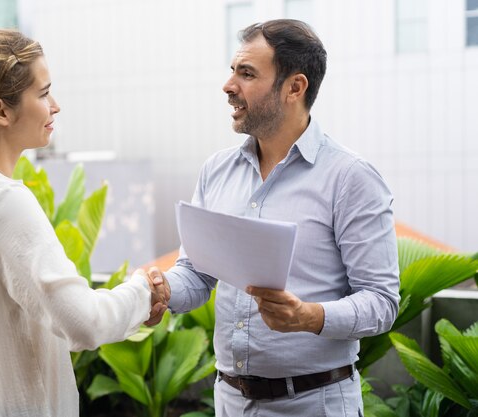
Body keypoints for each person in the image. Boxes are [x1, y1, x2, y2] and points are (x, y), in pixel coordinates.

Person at [0, 29, 167, 417]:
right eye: (42, 93)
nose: (54, 106)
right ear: (1, 111)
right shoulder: (0, 200)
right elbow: (82, 322)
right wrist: (141, 292)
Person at [148, 19, 400, 416]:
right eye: (233, 71)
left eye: (246, 73)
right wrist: (162, 290)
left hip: (314, 403)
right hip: (230, 401)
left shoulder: (351, 178)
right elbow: (196, 275)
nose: (229, 86)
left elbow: (382, 302)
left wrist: (310, 317)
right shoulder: (216, 171)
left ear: (294, 88)